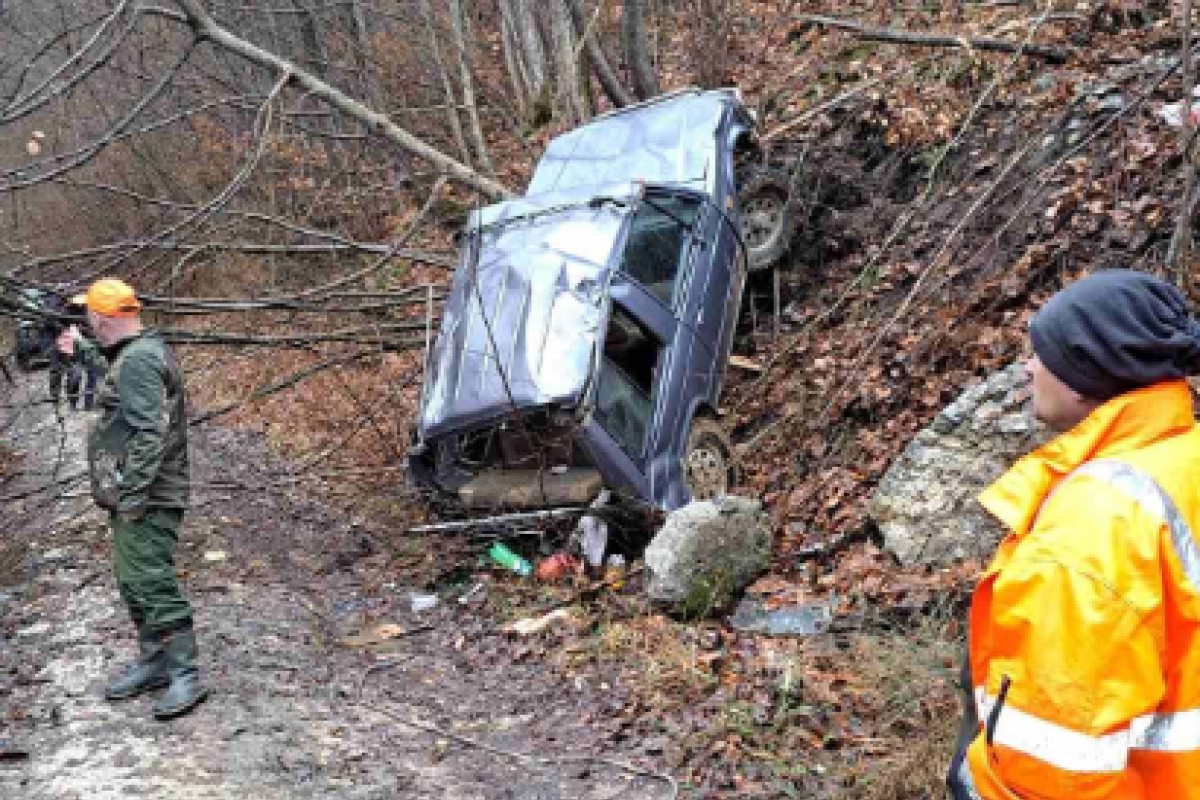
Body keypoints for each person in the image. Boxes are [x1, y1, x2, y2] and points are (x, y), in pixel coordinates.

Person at [948, 269, 1200, 800]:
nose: (1028, 367)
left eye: (1043, 353)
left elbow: (1056, 771)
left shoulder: (1092, 526)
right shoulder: (1183, 460)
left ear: (1087, 374)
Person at [57, 278, 208, 719]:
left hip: (148, 496)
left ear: (102, 319)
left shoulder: (140, 361)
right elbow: (120, 385)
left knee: (151, 580)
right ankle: (155, 662)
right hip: (135, 494)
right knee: (132, 579)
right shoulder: (135, 353)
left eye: (89, 315)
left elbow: (149, 434)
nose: (86, 319)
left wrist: (133, 496)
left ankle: (185, 674)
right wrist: (84, 352)